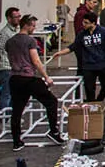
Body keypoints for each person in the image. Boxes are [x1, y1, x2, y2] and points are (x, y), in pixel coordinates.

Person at [6, 16, 64, 148]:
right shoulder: (30, 41)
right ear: (26, 25)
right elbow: (36, 61)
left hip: (15, 79)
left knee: (17, 110)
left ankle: (16, 141)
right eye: (33, 26)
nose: (34, 28)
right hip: (28, 78)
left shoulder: (10, 42)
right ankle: (54, 131)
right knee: (51, 102)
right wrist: (46, 77)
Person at [73, 11, 105, 102]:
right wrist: (60, 53)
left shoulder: (104, 32)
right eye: (83, 22)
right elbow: (73, 46)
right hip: (88, 66)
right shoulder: (82, 34)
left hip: (103, 64)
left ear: (93, 23)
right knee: (89, 89)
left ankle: (98, 101)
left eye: (86, 23)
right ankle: (92, 106)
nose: (83, 24)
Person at [0, 7, 22, 113]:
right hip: (5, 68)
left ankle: (10, 117)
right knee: (6, 94)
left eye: (19, 16)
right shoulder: (4, 34)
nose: (19, 19)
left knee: (13, 94)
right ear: (9, 19)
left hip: (13, 67)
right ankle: (3, 119)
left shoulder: (15, 31)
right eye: (16, 17)